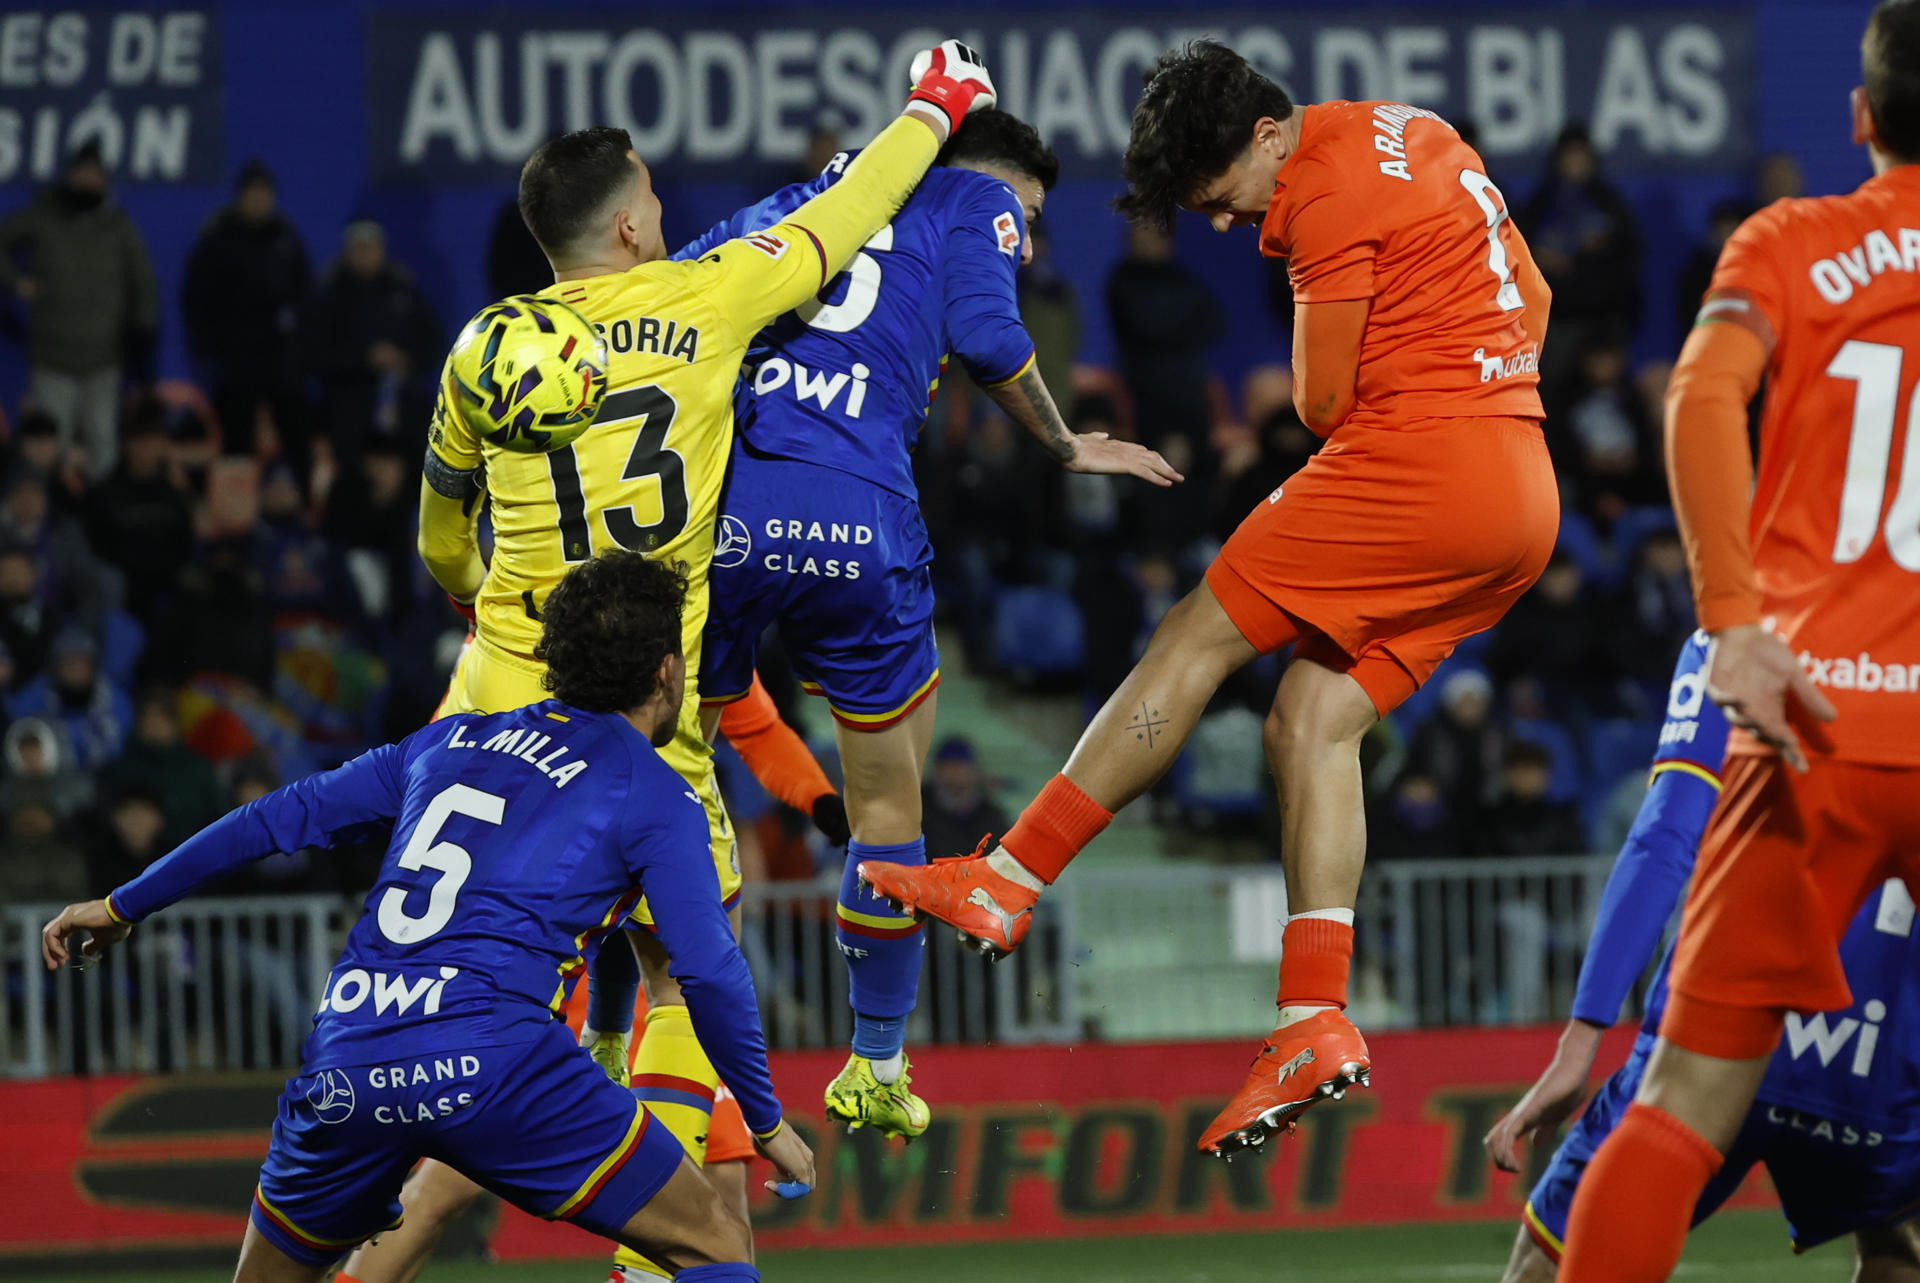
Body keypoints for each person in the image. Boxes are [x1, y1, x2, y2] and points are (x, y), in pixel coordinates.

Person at [859, 38, 1557, 1156]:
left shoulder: (1324, 189)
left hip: (1420, 463)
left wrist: (1408, 395)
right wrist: (1476, 385)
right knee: (1311, 719)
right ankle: (1311, 1015)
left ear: (1270, 134)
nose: (1229, 225)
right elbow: (1534, 293)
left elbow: (1324, 402)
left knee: (1193, 634)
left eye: (1225, 198)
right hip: (1522, 488)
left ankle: (1007, 875)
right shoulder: (1418, 128)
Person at [372, 41, 997, 1283]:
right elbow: (848, 212)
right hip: (634, 719)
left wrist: (472, 599)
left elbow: (441, 528)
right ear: (627, 223)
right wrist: (935, 104)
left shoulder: (480, 348)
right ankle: (651, 1255)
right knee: (684, 968)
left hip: (497, 689)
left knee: (454, 1020)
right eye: (651, 195)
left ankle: (352, 1259)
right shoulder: (703, 298)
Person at [39, 550, 812, 1283]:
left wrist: (120, 904)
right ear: (668, 670)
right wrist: (768, 1120)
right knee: (711, 1235)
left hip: (351, 1054)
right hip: (495, 1062)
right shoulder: (656, 792)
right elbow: (705, 970)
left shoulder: (444, 742)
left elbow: (272, 819)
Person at [674, 108, 1176, 1139]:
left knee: (679, 746)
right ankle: (876, 1060)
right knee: (889, 815)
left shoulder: (817, 197)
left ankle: (617, 1029)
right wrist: (1064, 443)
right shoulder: (972, 195)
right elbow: (993, 337)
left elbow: (679, 296)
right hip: (860, 515)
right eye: (1031, 215)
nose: (1027, 239)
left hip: (730, 512)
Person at [1558, 4, 1920, 1277]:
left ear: (1864, 116)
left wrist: (1734, 626)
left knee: (1678, 1112)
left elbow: (1702, 390)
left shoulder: (1793, 240)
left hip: (1813, 724)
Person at [1487, 634, 1920, 1280]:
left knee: (1547, 1264)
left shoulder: (1737, 633)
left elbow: (1665, 835)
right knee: (1895, 1250)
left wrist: (1580, 1041)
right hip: (1885, 1050)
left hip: (1723, 1030)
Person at [0, 141, 158, 479]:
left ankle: (100, 521)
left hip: (103, 359)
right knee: (47, 450)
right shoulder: (43, 217)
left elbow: (143, 282)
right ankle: (48, 518)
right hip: (52, 357)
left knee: (103, 447)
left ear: (105, 179)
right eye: (83, 172)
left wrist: (143, 328)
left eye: (96, 174)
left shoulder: (118, 227)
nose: (89, 180)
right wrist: (14, 281)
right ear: (71, 175)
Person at [182, 160, 313, 462]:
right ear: (239, 197)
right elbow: (197, 300)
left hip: (281, 366)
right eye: (251, 193)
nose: (258, 200)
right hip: (234, 366)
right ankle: (236, 508)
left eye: (264, 193)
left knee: (295, 443)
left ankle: (291, 504)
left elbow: (305, 302)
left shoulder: (287, 240)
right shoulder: (217, 240)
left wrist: (299, 355)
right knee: (236, 445)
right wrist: (210, 350)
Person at [311, 220, 444, 470]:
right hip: (349, 405)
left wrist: (405, 358)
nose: (365, 255)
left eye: (370, 247)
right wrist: (365, 358)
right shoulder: (330, 293)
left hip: (402, 404)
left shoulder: (402, 288)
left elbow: (431, 341)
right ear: (346, 252)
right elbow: (317, 352)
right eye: (358, 248)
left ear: (381, 250)